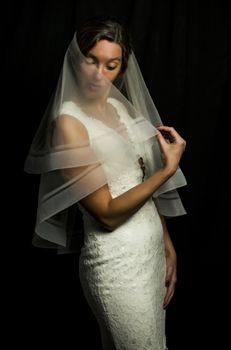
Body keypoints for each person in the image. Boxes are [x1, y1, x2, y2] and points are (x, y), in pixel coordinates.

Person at [25, 15, 187, 350]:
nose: (100, 75)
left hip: (150, 255)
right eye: (92, 61)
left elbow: (142, 184)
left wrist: (167, 244)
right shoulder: (69, 123)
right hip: (116, 265)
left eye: (111, 65)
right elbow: (107, 213)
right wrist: (165, 172)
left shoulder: (119, 106)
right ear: (77, 60)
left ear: (122, 68)